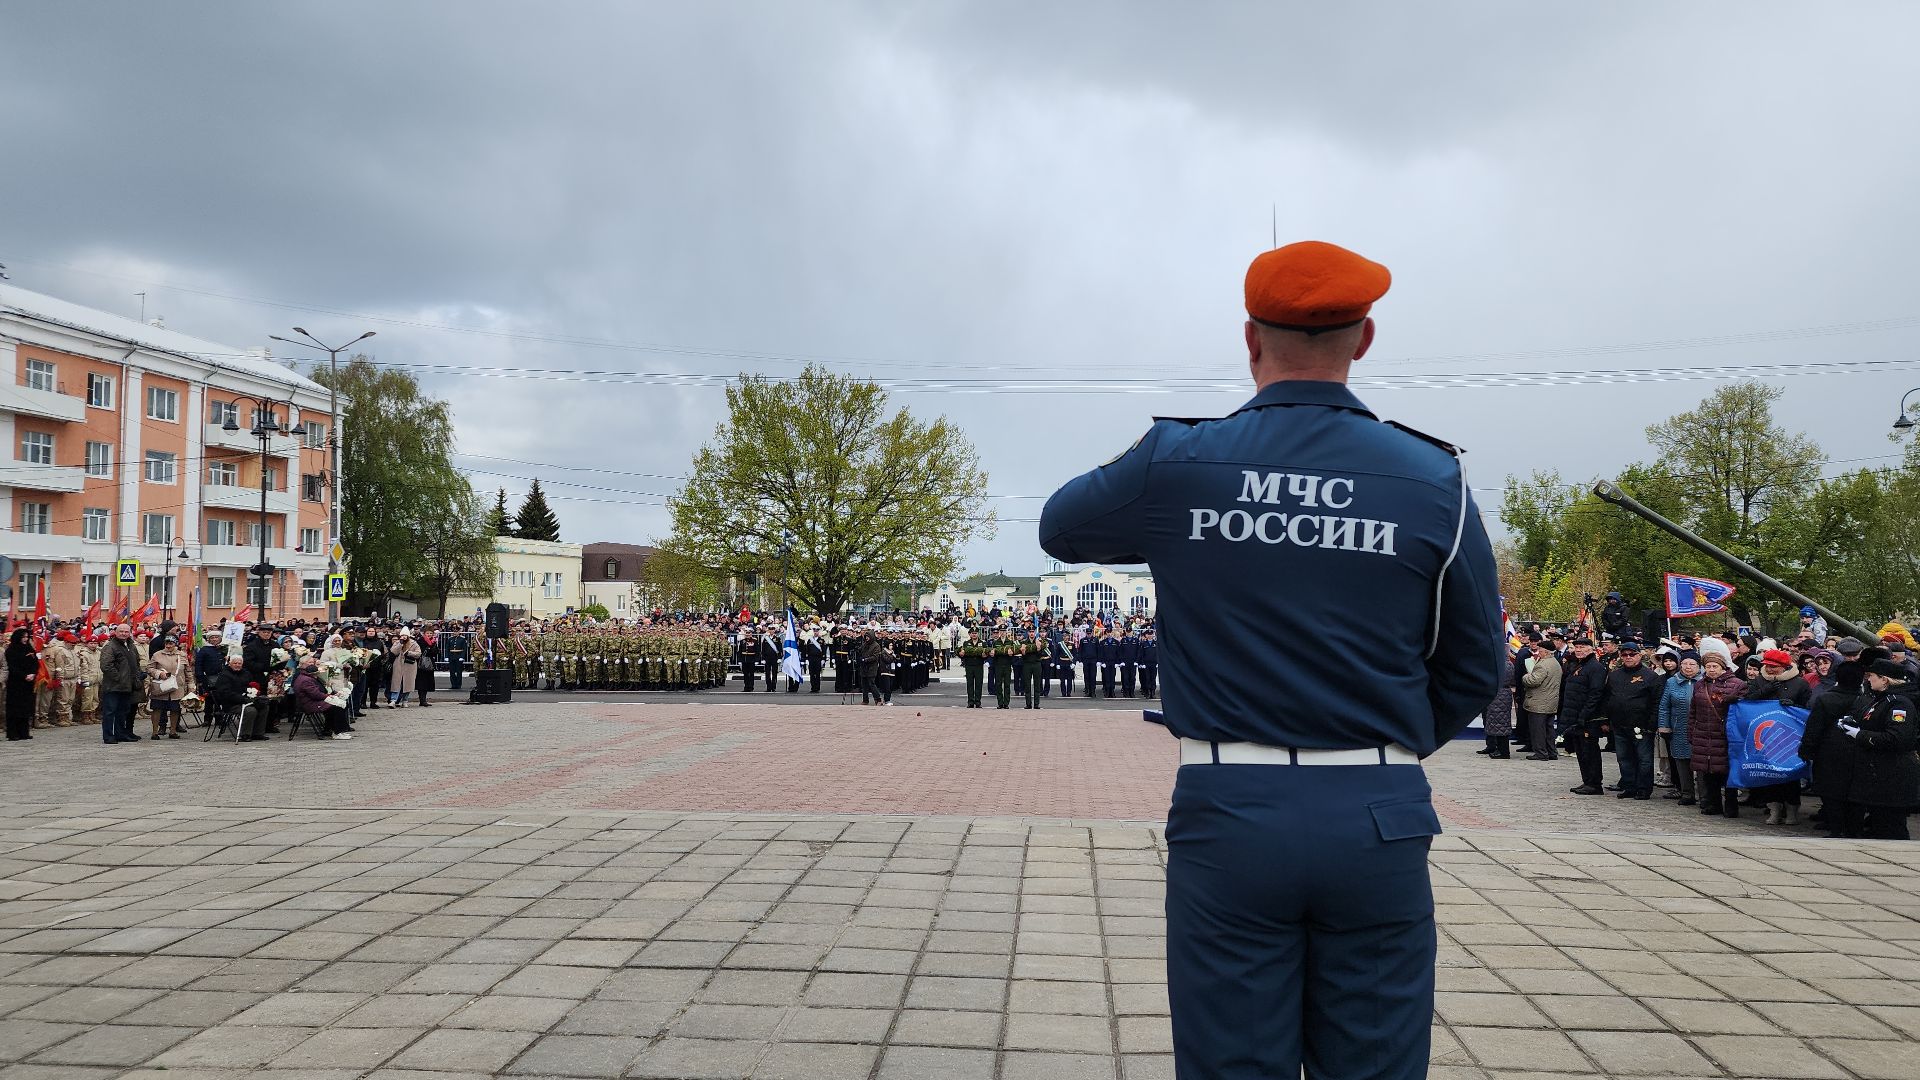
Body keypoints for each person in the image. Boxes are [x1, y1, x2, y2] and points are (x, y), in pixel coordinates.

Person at [1039, 240, 1501, 1080]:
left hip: (1231, 805)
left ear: (1250, 341)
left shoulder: (1179, 462)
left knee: (1231, 1064)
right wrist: (1388, 742)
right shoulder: (1435, 478)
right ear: (1365, 340)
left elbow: (1061, 528)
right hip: (1379, 807)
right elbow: (1474, 664)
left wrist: (1171, 492)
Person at [1837, 658, 1919, 840]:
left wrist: (1859, 735)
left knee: (1891, 828)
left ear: (1885, 680)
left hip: (1892, 777)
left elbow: (1896, 738)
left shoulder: (1899, 704)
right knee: (1878, 826)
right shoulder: (1881, 700)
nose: (1868, 680)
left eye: (1872, 676)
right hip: (1878, 776)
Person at [1744, 648, 1811, 824]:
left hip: (1789, 737)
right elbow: (1747, 701)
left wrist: (1794, 705)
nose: (1770, 669)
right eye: (1767, 666)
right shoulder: (1759, 680)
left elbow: (1808, 709)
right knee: (1769, 775)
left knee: (1789, 776)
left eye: (1774, 667)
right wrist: (1764, 691)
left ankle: (1791, 811)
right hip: (1765, 736)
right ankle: (1774, 810)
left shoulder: (1800, 683)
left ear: (1784, 666)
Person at [1599, 641, 1662, 800]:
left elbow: (1656, 702)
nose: (1628, 657)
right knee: (1624, 758)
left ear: (1639, 655)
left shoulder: (1650, 676)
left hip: (1641, 725)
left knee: (1644, 759)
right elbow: (1607, 698)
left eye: (1632, 654)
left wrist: (1652, 724)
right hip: (1619, 724)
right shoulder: (1614, 675)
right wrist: (1605, 720)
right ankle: (1629, 786)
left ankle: (1643, 788)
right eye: (1625, 655)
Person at [1689, 653, 1747, 817]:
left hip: (1725, 735)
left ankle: (1731, 805)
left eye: (1715, 666)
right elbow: (1693, 710)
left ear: (1723, 667)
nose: (1711, 669)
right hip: (1703, 733)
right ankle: (1713, 804)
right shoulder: (1700, 685)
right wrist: (1691, 732)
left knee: (1727, 771)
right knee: (1708, 772)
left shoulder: (1737, 684)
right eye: (1708, 666)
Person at [1656, 655, 1699, 804]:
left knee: (1700, 762)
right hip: (1678, 727)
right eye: (1685, 664)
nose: (1688, 667)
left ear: (1699, 667)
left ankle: (1705, 795)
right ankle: (1686, 793)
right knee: (1681, 761)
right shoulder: (1672, 682)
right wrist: (1664, 726)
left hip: (1701, 729)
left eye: (1692, 664)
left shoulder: (1704, 681)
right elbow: (1664, 706)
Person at [99, 623, 143, 744]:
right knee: (110, 712)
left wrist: (136, 676)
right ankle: (108, 736)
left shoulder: (131, 646)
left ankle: (120, 734)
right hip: (113, 686)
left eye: (126, 632)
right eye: (121, 631)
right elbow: (106, 666)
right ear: (116, 632)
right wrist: (119, 678)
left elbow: (136, 663)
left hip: (128, 686)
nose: (123, 634)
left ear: (130, 633)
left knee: (122, 712)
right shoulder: (110, 646)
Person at [1518, 640, 1562, 760]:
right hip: (1551, 701)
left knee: (1538, 729)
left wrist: (1526, 676)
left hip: (1539, 702)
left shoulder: (1543, 664)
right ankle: (1552, 752)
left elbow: (1533, 681)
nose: (1539, 652)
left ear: (1546, 652)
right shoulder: (1555, 662)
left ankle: (1541, 753)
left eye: (1541, 651)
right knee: (1549, 729)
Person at [144, 634, 190, 739]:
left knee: (175, 709)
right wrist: (158, 673)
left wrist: (191, 684)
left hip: (177, 686)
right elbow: (149, 668)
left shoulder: (182, 655)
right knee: (157, 709)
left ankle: (173, 731)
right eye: (166, 643)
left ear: (175, 644)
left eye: (171, 643)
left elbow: (188, 670)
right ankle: (155, 732)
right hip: (161, 686)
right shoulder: (157, 655)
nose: (168, 646)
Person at [5, 628, 37, 742]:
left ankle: (24, 732)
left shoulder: (29, 648)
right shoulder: (11, 650)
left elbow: (35, 663)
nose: (25, 639)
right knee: (15, 709)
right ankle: (13, 733)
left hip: (28, 683)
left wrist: (33, 673)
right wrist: (24, 676)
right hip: (16, 683)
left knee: (25, 708)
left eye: (27, 637)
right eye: (23, 637)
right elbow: (12, 667)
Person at [388, 629, 421, 707]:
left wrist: (409, 653)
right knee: (396, 683)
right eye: (402, 635)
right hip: (398, 665)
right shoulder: (397, 642)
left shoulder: (414, 643)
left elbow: (418, 653)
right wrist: (400, 644)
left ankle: (405, 700)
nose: (404, 637)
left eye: (405, 635)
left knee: (407, 683)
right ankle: (393, 700)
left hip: (410, 666)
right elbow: (393, 651)